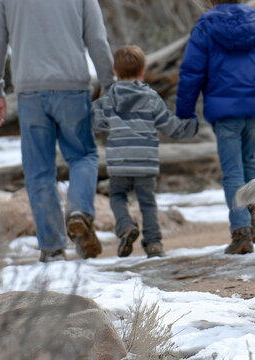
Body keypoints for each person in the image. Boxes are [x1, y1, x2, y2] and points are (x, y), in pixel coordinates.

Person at [0, 0, 115, 262]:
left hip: (29, 91)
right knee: (83, 156)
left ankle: (52, 247)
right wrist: (109, 83)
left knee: (38, 170)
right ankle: (79, 211)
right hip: (72, 87)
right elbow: (97, 39)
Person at [175, 0, 255, 255]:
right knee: (251, 162)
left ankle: (241, 233)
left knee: (232, 171)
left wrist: (184, 111)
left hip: (224, 112)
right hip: (254, 109)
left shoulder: (206, 25)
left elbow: (191, 72)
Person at [92, 45, 198, 258]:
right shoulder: (151, 97)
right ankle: (153, 243)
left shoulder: (110, 97)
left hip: (119, 161)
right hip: (146, 161)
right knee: (147, 201)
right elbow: (169, 126)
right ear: (142, 71)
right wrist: (190, 126)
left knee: (118, 196)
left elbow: (95, 122)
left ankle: (125, 226)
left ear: (115, 72)